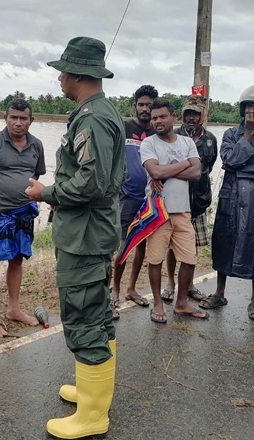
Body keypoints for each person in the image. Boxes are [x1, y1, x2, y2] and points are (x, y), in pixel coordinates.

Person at [25, 36, 125, 440]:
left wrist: (44, 192)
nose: (60, 79)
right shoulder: (95, 112)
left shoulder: (93, 118)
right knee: (96, 315)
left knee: (84, 317)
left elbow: (92, 182)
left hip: (85, 236)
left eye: (63, 72)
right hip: (89, 232)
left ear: (78, 74)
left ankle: (93, 417)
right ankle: (91, 394)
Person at [200, 85, 254, 321]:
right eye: (248, 107)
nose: (252, 112)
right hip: (232, 199)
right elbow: (228, 159)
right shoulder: (231, 134)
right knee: (223, 242)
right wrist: (247, 134)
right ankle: (219, 293)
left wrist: (238, 170)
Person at [0, 98, 46, 338]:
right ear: (5, 118)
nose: (18, 123)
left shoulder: (37, 145)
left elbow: (35, 176)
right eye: (13, 117)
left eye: (23, 118)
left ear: (31, 120)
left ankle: (14, 309)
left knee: (17, 259)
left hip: (24, 212)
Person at [140, 98, 206, 323]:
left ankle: (181, 303)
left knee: (189, 259)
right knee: (155, 260)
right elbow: (155, 173)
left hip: (183, 211)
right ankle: (158, 303)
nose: (157, 121)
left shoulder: (187, 142)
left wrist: (166, 170)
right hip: (158, 212)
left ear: (173, 117)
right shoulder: (148, 143)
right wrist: (185, 164)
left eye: (162, 116)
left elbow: (196, 173)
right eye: (154, 118)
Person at [161, 95, 218, 303]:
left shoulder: (210, 139)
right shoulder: (173, 136)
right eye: (188, 114)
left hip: (198, 202)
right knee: (171, 246)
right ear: (182, 116)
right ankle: (170, 283)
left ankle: (190, 284)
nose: (191, 118)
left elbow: (207, 168)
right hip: (175, 202)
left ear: (202, 116)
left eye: (195, 114)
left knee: (191, 247)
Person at [110, 84, 157, 318]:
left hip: (149, 199)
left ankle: (131, 289)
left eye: (149, 105)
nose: (145, 109)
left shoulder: (157, 132)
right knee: (123, 247)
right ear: (135, 106)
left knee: (142, 245)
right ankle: (115, 290)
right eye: (141, 104)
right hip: (126, 197)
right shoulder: (124, 127)